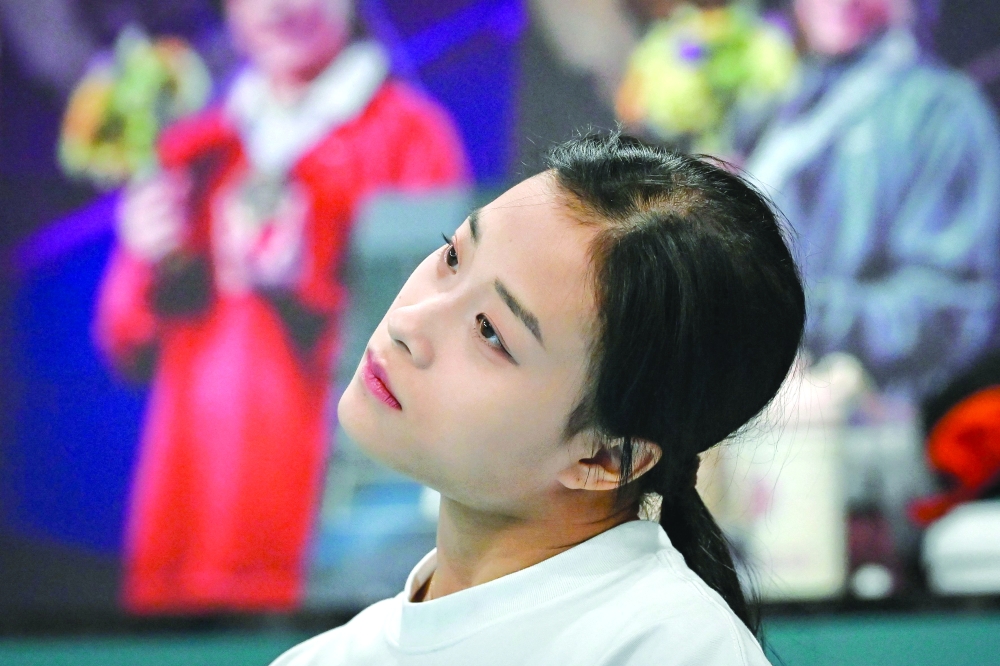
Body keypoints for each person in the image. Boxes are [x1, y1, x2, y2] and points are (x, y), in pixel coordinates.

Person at [270, 132, 804, 665]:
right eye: (453, 256)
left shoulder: (671, 650)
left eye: (490, 333)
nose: (410, 322)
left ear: (603, 457)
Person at [94, 0, 467, 613]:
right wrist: (143, 260)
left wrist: (311, 288)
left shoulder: (408, 137)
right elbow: (124, 343)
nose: (280, 7)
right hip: (190, 521)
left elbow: (433, 358)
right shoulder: (198, 142)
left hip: (329, 536)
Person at [740, 0, 1000, 399]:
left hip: (860, 423)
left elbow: (952, 309)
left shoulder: (941, 112)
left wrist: (783, 306)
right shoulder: (781, 102)